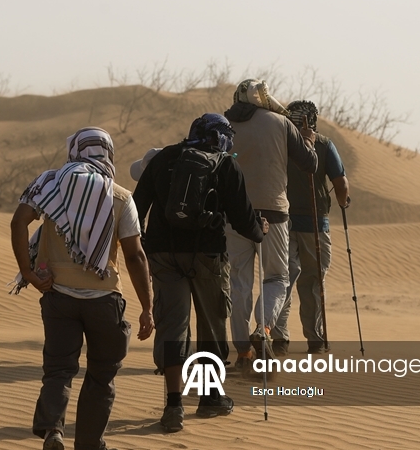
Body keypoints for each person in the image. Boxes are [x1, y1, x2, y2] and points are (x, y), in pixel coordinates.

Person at [11, 127, 154, 450]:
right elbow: (135, 256)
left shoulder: (49, 183)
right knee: (101, 374)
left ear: (75, 150)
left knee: (59, 370)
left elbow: (18, 221)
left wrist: (28, 272)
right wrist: (148, 307)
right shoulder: (120, 196)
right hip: (105, 300)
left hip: (57, 294)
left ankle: (53, 432)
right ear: (108, 154)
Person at [132, 113, 268, 432]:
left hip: (164, 256)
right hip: (208, 256)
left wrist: (145, 246)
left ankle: (173, 405)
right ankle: (210, 398)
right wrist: (260, 229)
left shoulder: (163, 158)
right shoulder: (225, 164)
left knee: (173, 325)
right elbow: (244, 221)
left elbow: (135, 209)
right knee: (211, 324)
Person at [223, 80, 318, 367]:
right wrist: (308, 140)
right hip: (273, 211)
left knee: (239, 282)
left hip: (234, 213)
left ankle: (243, 352)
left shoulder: (225, 124)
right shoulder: (281, 123)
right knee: (277, 278)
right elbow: (309, 163)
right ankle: (263, 328)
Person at [272, 101, 350, 353]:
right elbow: (341, 184)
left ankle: (279, 338)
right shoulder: (324, 145)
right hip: (315, 223)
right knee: (312, 282)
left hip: (281, 222)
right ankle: (315, 339)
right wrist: (343, 202)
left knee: (281, 279)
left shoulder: (279, 143)